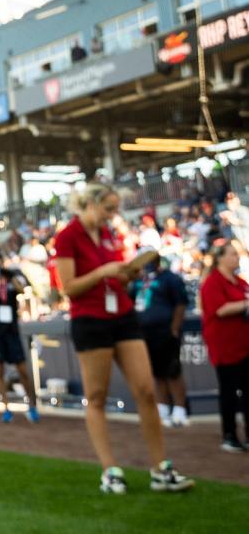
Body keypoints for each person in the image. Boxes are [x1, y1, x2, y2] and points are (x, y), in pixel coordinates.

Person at [53, 184, 193, 494]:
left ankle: (160, 468)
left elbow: (117, 273)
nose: (112, 215)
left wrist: (126, 272)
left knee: (145, 390)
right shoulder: (67, 236)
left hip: (123, 315)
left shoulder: (110, 235)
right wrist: (104, 271)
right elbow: (69, 288)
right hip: (90, 320)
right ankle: (110, 470)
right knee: (98, 396)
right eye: (108, 208)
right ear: (90, 204)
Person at [199, 241, 249, 452]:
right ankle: (229, 435)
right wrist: (245, 305)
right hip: (225, 347)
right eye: (232, 254)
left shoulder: (239, 282)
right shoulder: (212, 282)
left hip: (244, 345)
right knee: (229, 393)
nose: (236, 258)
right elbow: (220, 310)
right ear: (220, 258)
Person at [0, 251, 39, 424]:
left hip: (12, 331)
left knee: (22, 370)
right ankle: (6, 408)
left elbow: (22, 291)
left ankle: (32, 405)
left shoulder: (12, 278)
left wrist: (10, 277)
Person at [130, 257, 189, 427]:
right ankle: (162, 408)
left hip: (165, 330)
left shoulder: (170, 278)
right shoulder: (139, 280)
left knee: (172, 371)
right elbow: (131, 299)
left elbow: (180, 304)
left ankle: (179, 409)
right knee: (155, 372)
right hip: (144, 332)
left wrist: (174, 329)